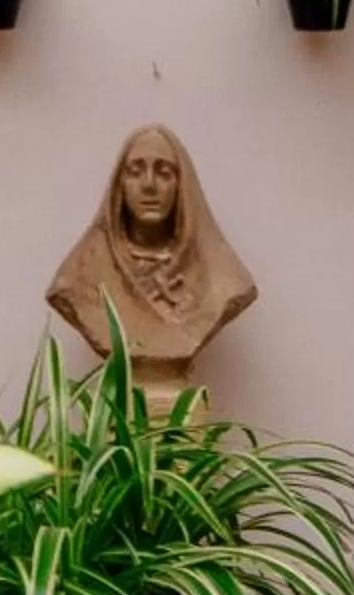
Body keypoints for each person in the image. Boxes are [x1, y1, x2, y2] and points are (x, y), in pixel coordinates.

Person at [44, 123, 256, 398]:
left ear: (183, 185)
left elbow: (230, 293)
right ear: (119, 186)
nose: (149, 185)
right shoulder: (80, 276)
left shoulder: (223, 280)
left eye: (164, 173)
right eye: (135, 171)